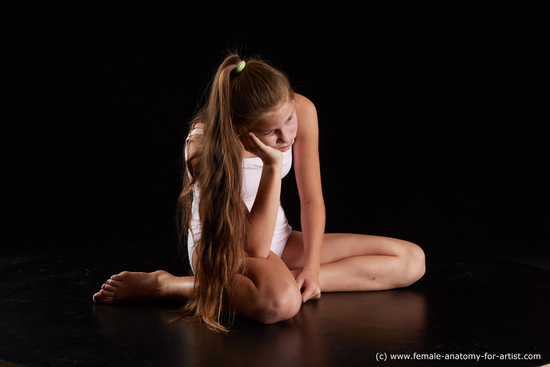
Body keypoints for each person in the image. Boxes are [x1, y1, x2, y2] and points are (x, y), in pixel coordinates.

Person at [93, 53, 426, 332]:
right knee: (280, 304)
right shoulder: (203, 147)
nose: (286, 137)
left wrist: (310, 269)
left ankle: (282, 282)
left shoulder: (301, 109)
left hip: (276, 237)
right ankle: (170, 285)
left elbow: (311, 199)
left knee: (411, 262)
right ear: (241, 129)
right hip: (227, 249)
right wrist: (270, 166)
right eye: (271, 132)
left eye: (290, 120)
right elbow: (252, 246)